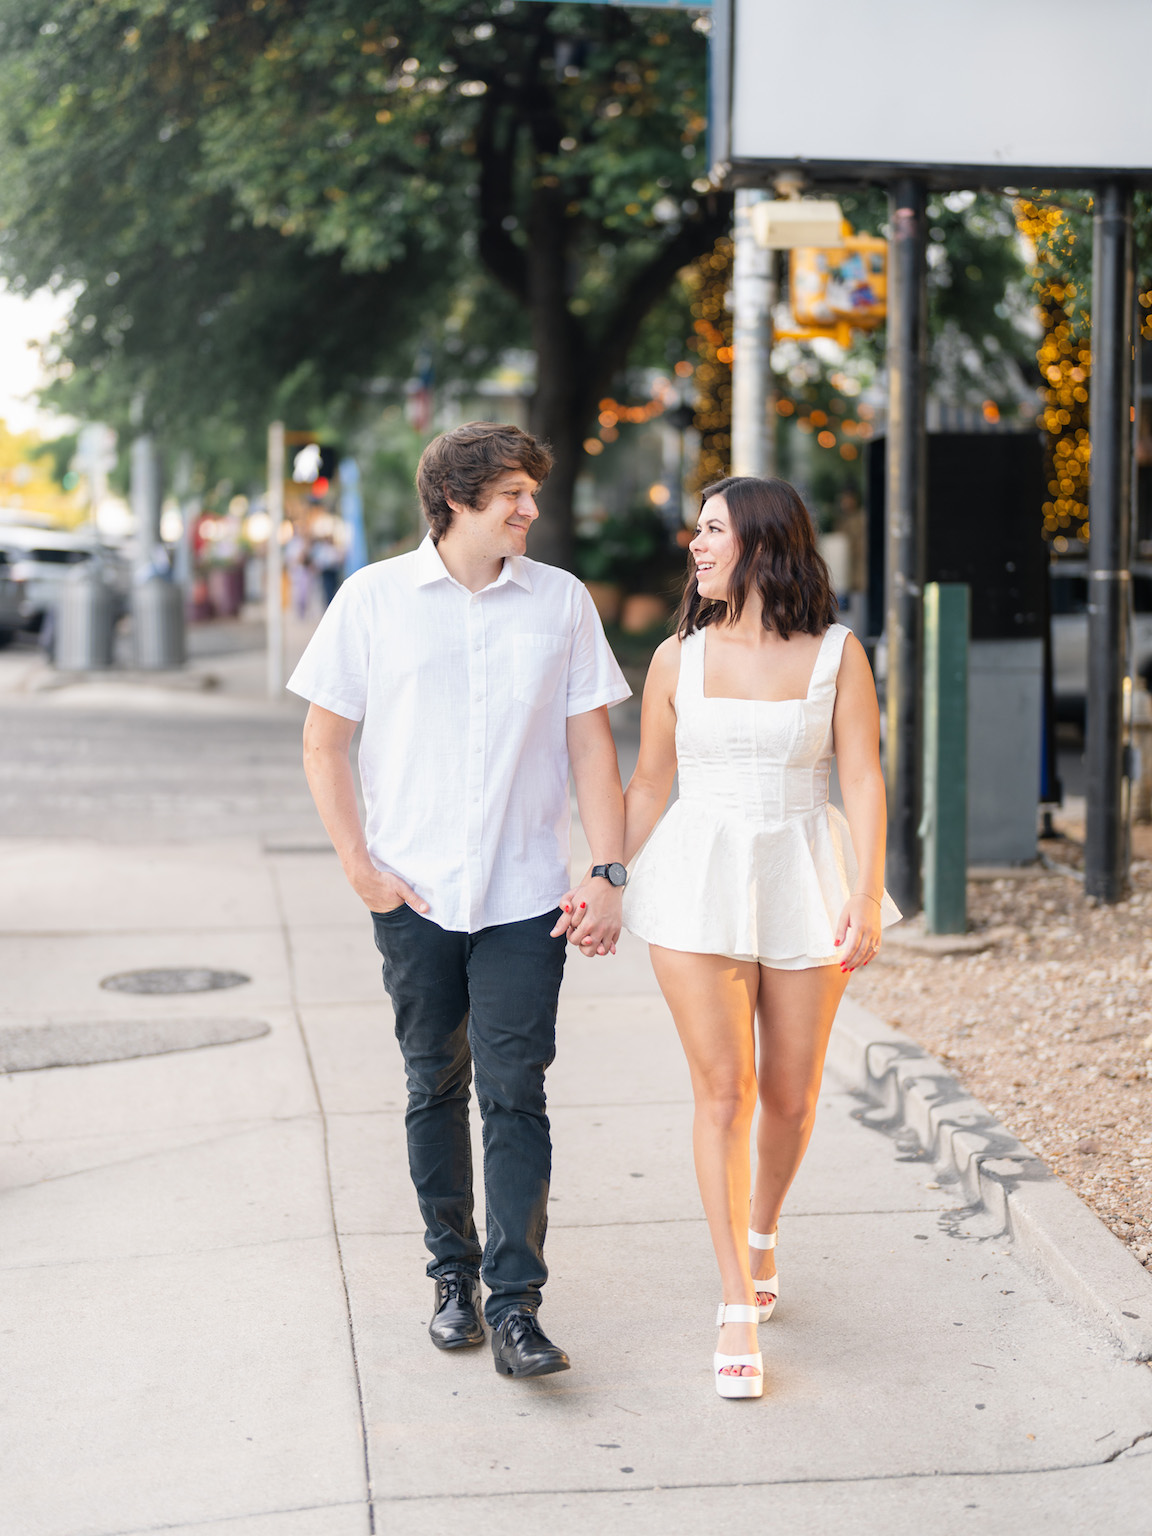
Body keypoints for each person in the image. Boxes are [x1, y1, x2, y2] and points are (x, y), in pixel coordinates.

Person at [287, 422, 631, 1378]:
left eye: (531, 492)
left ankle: (517, 1305)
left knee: (516, 1094)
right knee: (433, 1087)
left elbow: (593, 747)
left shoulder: (559, 602)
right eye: (513, 493)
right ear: (456, 501)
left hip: (527, 897)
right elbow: (325, 742)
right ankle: (454, 1277)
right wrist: (358, 864)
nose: (531, 509)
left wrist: (607, 872)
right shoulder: (372, 601)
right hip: (415, 895)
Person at [619, 476, 899, 1399]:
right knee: (724, 1090)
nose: (692, 547)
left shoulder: (837, 655)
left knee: (790, 1093)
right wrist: (611, 874)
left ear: (763, 543)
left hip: (804, 870)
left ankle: (764, 1226)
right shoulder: (676, 660)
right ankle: (737, 1297)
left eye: (710, 531)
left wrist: (866, 889)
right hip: (697, 874)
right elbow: (652, 783)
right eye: (694, 533)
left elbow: (861, 777)